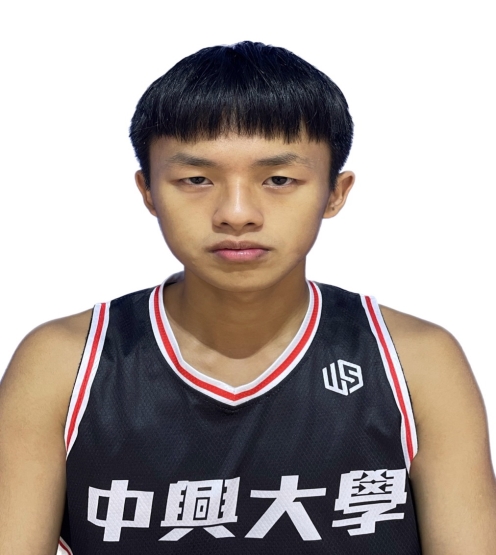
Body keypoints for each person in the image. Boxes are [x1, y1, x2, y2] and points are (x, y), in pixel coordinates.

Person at [0, 41, 495, 555]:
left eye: (279, 179)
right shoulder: (64, 363)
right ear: (148, 191)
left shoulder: (416, 361)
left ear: (335, 192)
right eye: (196, 179)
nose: (236, 213)